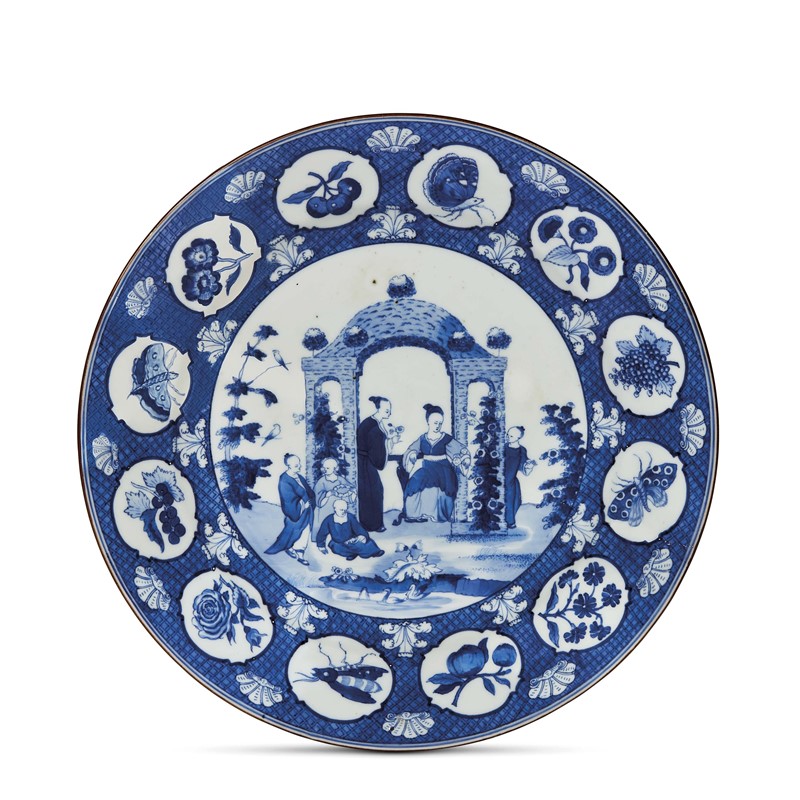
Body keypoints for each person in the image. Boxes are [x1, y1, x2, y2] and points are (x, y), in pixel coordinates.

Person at [402, 404, 469, 523]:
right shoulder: (422, 438)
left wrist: (463, 459)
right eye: (435, 423)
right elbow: (412, 449)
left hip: (443, 469)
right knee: (414, 484)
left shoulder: (446, 438)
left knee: (445, 487)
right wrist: (412, 454)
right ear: (428, 422)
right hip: (427, 468)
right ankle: (415, 514)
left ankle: (438, 516)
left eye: (440, 423)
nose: (437, 426)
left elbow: (462, 450)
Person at [356, 396, 399, 532]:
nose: (389, 413)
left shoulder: (373, 422)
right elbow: (377, 448)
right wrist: (390, 441)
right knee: (374, 491)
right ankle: (372, 525)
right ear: (378, 409)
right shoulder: (373, 426)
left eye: (389, 410)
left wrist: (389, 440)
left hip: (365, 461)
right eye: (387, 410)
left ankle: (371, 524)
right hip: (365, 462)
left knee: (372, 491)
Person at [265, 453, 315, 566]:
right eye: (296, 465)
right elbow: (287, 499)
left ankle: (299, 552)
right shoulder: (284, 480)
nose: (299, 466)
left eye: (299, 464)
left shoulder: (299, 477)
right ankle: (293, 550)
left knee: (305, 531)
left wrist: (310, 500)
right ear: (289, 466)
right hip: (296, 511)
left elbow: (308, 491)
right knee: (295, 531)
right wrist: (302, 504)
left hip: (306, 511)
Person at [316, 499, 384, 560]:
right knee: (336, 548)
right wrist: (321, 545)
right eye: (341, 510)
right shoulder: (329, 520)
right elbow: (322, 533)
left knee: (362, 544)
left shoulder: (350, 517)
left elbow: (359, 528)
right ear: (335, 509)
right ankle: (351, 554)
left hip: (352, 540)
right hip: (338, 543)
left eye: (345, 510)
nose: (343, 512)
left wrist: (362, 535)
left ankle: (374, 552)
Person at [504, 426, 535, 529]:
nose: (508, 437)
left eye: (511, 436)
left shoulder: (522, 450)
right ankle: (507, 522)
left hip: (511, 479)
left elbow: (523, 465)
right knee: (507, 499)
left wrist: (528, 465)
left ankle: (509, 521)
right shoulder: (503, 447)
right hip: (502, 478)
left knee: (515, 501)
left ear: (518, 437)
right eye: (507, 435)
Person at [314, 457, 357, 530]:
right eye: (324, 468)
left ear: (335, 468)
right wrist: (327, 496)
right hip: (325, 509)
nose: (325, 470)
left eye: (328, 468)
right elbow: (318, 499)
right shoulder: (321, 481)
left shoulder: (340, 479)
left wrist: (353, 493)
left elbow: (348, 492)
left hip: (339, 507)